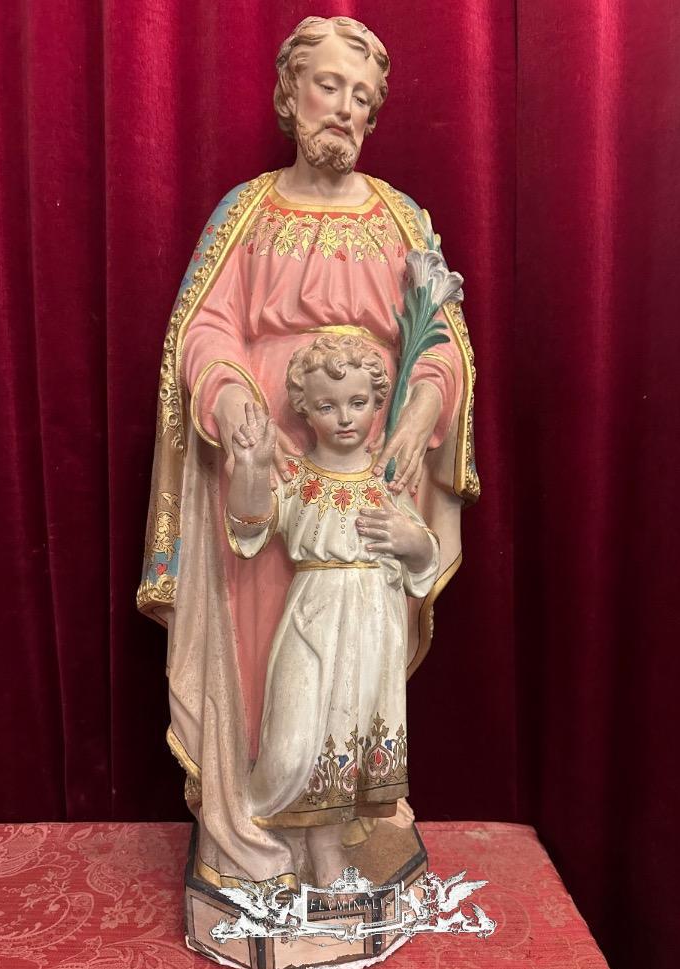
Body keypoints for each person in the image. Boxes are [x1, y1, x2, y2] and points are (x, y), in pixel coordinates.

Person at [138, 16, 478, 888]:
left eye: (363, 97)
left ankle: (343, 827)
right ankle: (258, 826)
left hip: (365, 473)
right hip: (263, 475)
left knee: (356, 666)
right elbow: (203, 332)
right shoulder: (246, 213)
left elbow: (441, 342)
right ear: (290, 94)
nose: (346, 109)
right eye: (330, 86)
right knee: (269, 668)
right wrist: (233, 407)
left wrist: (418, 417)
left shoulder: (399, 218)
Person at [225, 336, 439, 885]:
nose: (345, 418)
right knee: (295, 738)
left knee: (351, 733)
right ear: (304, 409)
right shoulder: (297, 477)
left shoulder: (388, 479)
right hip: (314, 617)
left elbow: (424, 559)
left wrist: (411, 541)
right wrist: (250, 468)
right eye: (327, 405)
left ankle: (327, 852)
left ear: (377, 403)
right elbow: (250, 528)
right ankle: (275, 833)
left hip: (374, 622)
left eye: (358, 403)